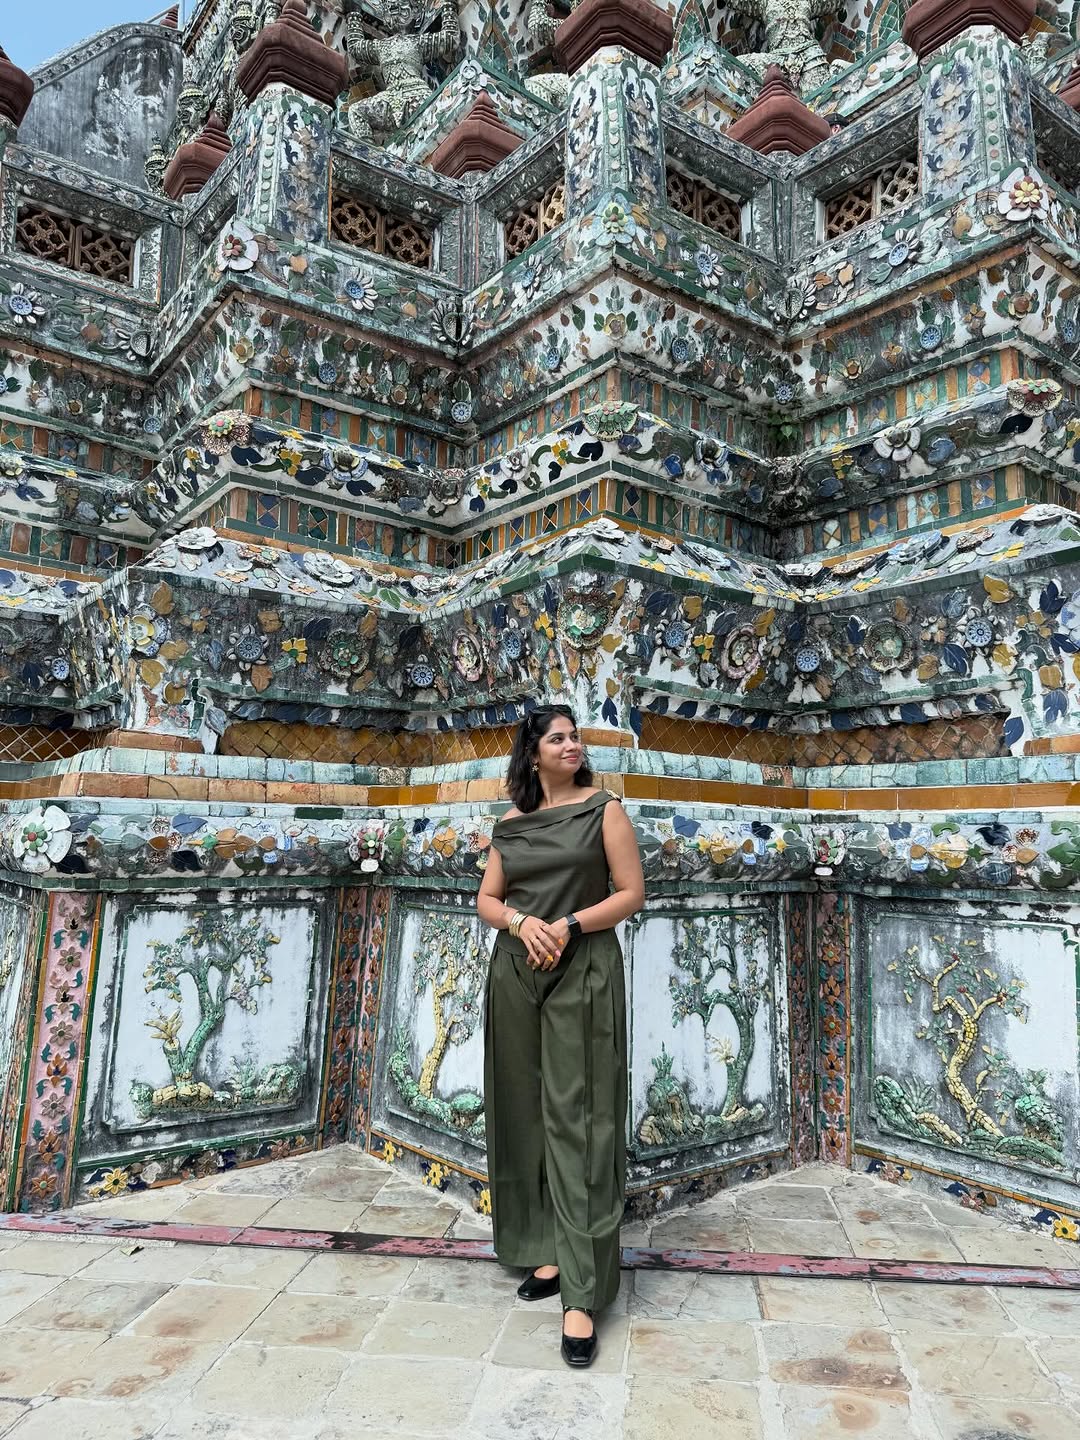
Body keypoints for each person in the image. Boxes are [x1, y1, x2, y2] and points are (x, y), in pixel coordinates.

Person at [477, 704, 645, 1368]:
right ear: (533, 753)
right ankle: (543, 1246)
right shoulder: (510, 824)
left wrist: (569, 925)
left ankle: (582, 1291)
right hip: (516, 971)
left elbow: (631, 892)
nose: (572, 745)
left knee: (581, 1120)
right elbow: (488, 899)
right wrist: (520, 924)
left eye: (575, 736)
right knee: (523, 1112)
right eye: (558, 738)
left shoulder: (604, 810)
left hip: (584, 968)